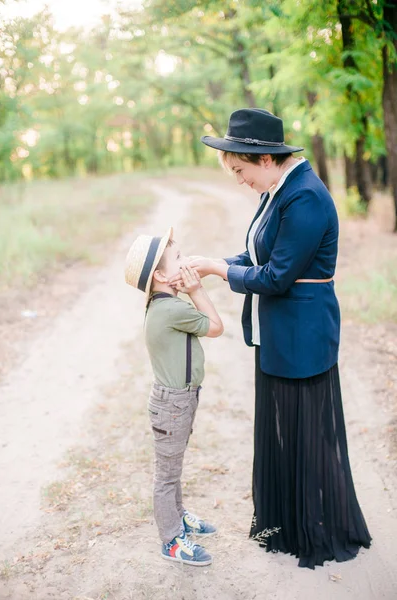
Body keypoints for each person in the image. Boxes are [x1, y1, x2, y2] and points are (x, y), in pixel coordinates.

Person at [170, 108, 371, 569]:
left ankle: (313, 527)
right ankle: (285, 520)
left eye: (239, 170)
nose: (239, 181)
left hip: (303, 334)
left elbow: (278, 276)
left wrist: (221, 271)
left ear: (263, 160)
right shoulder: (280, 189)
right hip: (279, 333)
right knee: (282, 431)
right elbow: (262, 252)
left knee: (304, 433)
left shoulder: (305, 198)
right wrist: (210, 263)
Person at [124, 227, 224, 567]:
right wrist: (197, 289)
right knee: (166, 475)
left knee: (173, 467)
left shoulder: (163, 302)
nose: (186, 261)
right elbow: (215, 325)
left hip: (178, 401)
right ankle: (170, 540)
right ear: (161, 275)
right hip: (174, 405)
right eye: (179, 258)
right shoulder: (171, 309)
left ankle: (177, 516)